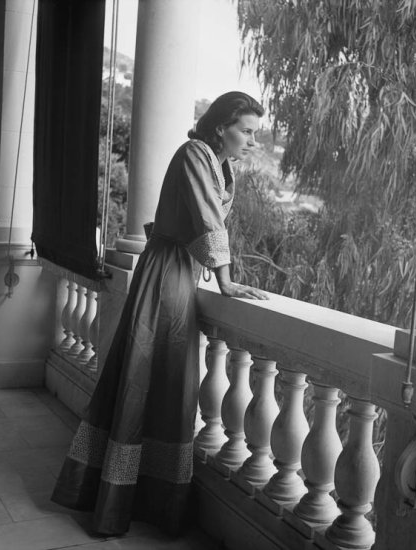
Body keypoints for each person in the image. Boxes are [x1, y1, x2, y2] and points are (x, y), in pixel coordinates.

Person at [51, 91, 269, 537]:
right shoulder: (194, 154)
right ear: (220, 126)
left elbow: (209, 221)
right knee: (143, 374)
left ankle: (150, 498)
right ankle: (115, 500)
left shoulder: (222, 166)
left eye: (254, 134)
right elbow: (209, 220)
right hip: (166, 272)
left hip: (182, 275)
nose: (252, 142)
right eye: (246, 131)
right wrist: (226, 281)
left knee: (171, 383)